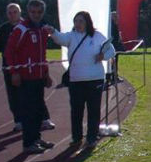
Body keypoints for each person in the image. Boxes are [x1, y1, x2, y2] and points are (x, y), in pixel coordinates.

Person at [47, 11, 115, 148]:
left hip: (95, 79)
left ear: (87, 22)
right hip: (76, 80)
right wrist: (53, 31)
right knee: (76, 111)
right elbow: (60, 38)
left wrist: (103, 56)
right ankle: (77, 138)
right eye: (76, 21)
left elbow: (111, 50)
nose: (78, 24)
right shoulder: (71, 36)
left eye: (81, 21)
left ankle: (91, 138)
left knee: (93, 110)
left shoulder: (97, 36)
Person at [5, 0, 54, 154]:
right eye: (33, 12)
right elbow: (9, 51)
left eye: (39, 12)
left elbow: (42, 55)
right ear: (28, 12)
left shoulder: (43, 30)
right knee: (28, 112)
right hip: (25, 78)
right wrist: (14, 72)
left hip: (39, 77)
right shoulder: (21, 29)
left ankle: (36, 138)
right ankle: (28, 143)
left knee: (38, 110)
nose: (36, 15)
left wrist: (46, 74)